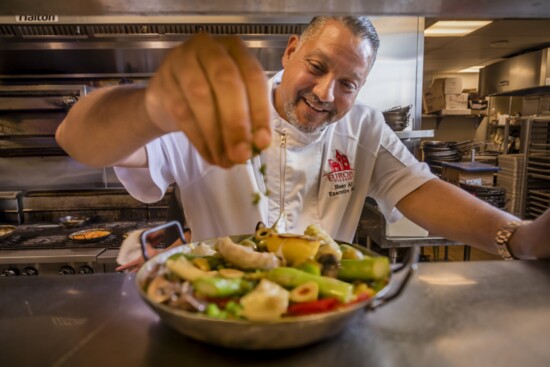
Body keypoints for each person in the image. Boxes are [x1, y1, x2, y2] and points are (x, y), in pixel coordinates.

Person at [56, 16, 549, 268]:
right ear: (291, 51)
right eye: (316, 67)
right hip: (220, 311)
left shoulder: (364, 128)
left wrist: (517, 236)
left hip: (322, 312)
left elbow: (420, 190)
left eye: (348, 83)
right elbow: (78, 139)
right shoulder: (212, 113)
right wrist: (153, 105)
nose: (324, 93)